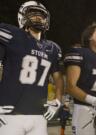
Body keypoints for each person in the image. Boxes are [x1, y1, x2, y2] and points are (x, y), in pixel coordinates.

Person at [0, 1, 64, 135]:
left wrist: (57, 100)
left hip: (39, 117)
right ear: (22, 17)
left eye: (41, 15)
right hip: (10, 114)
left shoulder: (52, 48)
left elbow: (58, 78)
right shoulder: (12, 35)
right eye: (33, 13)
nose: (38, 17)